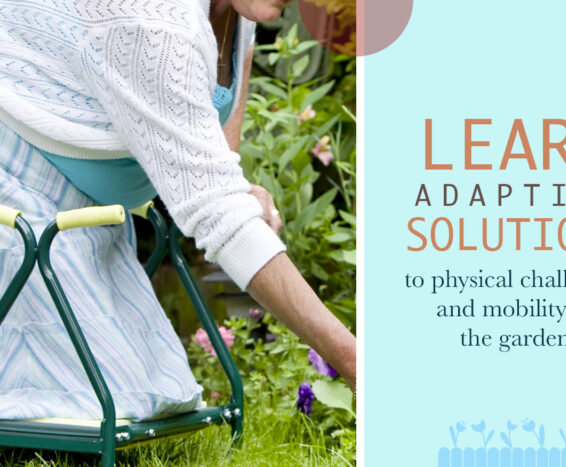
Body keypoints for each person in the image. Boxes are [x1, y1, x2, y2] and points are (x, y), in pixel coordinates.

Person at [0, 0, 356, 420]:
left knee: (151, 401)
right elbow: (215, 210)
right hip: (17, 182)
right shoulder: (154, 22)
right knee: (88, 410)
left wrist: (242, 191)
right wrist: (352, 361)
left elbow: (217, 163)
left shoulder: (238, 14)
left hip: (84, 204)